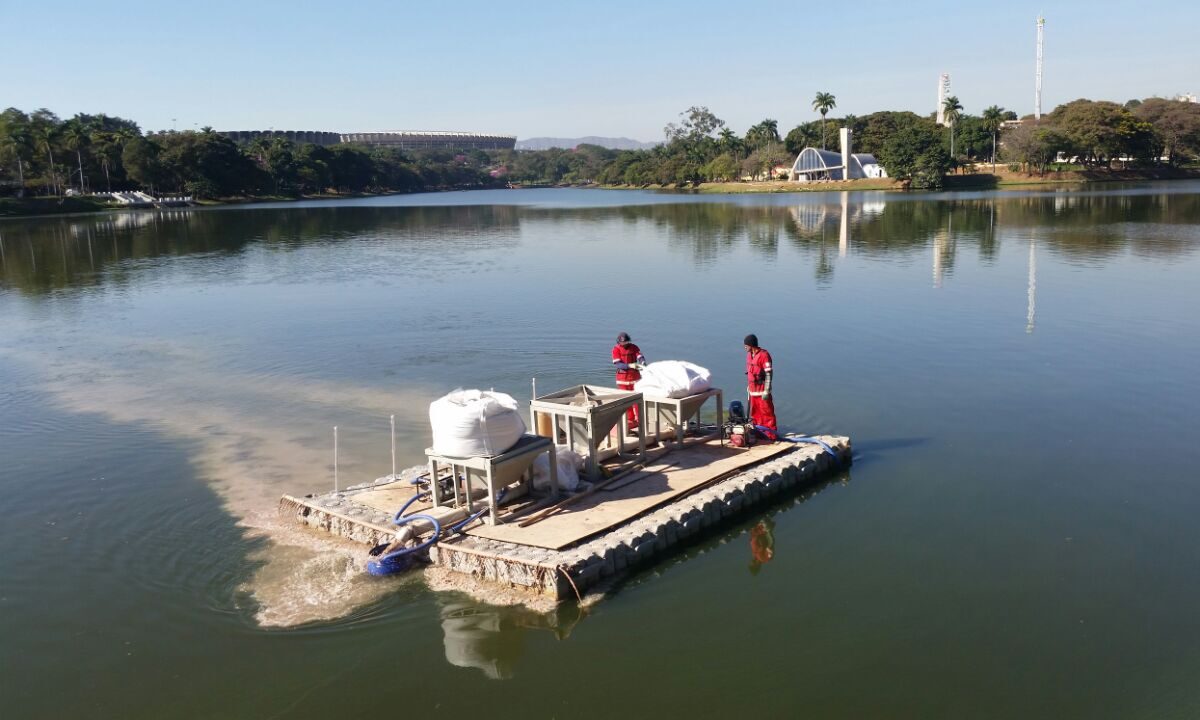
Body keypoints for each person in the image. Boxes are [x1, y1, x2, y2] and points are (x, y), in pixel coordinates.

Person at [744, 334, 777, 440]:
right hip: (753, 391)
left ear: (751, 345)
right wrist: (749, 386)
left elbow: (768, 374)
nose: (745, 347)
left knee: (767, 413)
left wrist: (767, 390)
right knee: (755, 414)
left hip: (762, 391)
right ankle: (759, 433)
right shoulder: (749, 355)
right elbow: (750, 372)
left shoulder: (764, 355)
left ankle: (771, 435)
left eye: (746, 345)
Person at [612, 332, 645, 428]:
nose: (624, 344)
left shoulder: (634, 347)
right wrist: (630, 365)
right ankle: (630, 419)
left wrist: (642, 362)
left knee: (637, 399)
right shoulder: (616, 349)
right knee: (626, 400)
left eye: (626, 342)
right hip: (622, 379)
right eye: (622, 342)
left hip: (635, 378)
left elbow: (639, 356)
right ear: (619, 342)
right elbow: (618, 364)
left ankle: (640, 419)